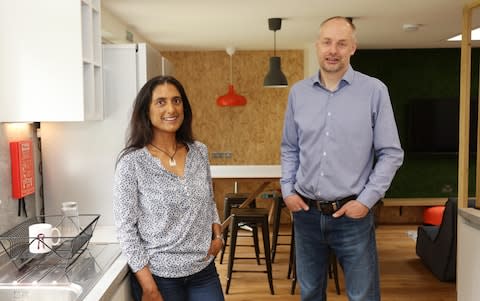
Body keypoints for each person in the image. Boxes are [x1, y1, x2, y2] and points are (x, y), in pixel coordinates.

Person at [280, 16, 404, 301]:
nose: (332, 50)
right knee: (310, 293)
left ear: (353, 48)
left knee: (363, 296)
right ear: (317, 45)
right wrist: (287, 190)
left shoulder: (374, 91)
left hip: (352, 216)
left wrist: (365, 201)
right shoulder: (298, 93)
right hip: (306, 214)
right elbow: (290, 147)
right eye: (327, 42)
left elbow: (391, 153)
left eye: (341, 43)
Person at [113, 75, 225, 301]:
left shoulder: (199, 152)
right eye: (161, 102)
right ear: (146, 111)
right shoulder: (131, 163)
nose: (171, 108)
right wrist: (149, 287)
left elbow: (209, 199)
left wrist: (218, 235)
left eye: (177, 100)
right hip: (160, 277)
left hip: (203, 271)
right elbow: (126, 229)